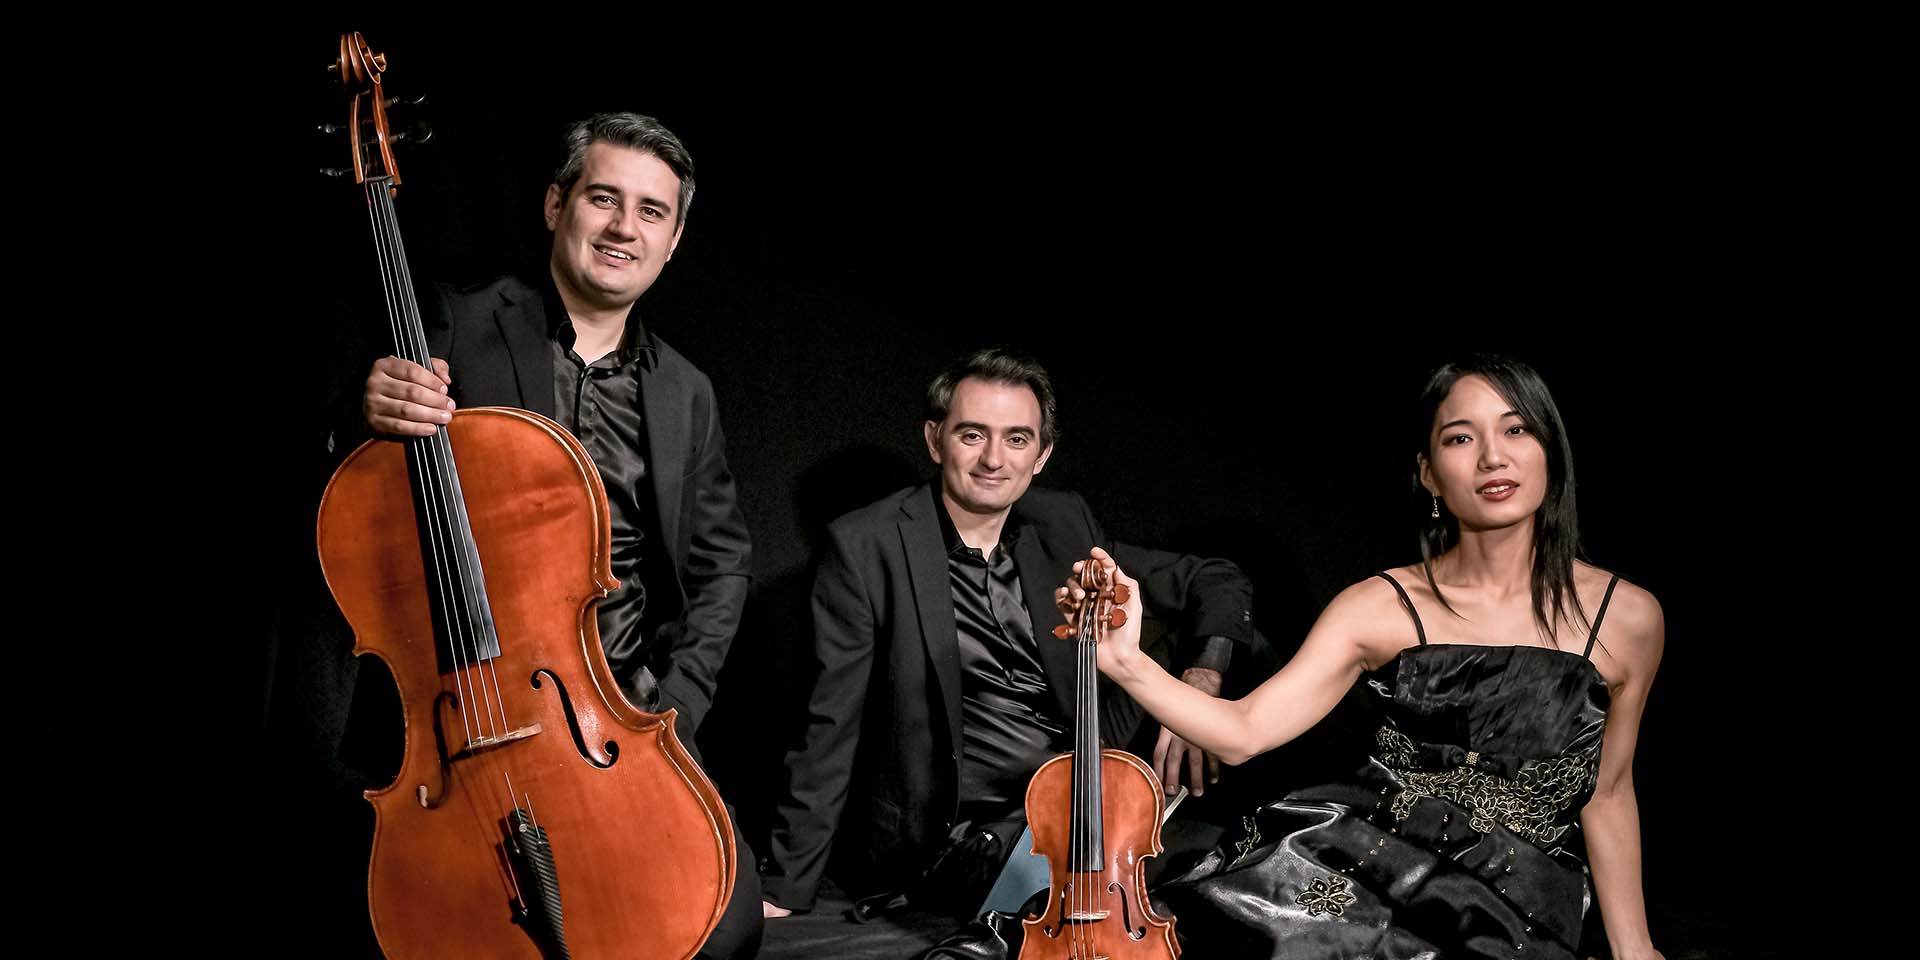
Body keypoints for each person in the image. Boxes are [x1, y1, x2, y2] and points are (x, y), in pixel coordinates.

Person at [1062, 355, 1665, 960]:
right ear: (1429, 474)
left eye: (1516, 430)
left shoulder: (1628, 618)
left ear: (1550, 451)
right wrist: (1126, 662)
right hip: (1363, 874)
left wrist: (1635, 946)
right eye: (1461, 438)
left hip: (1515, 909)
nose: (1492, 457)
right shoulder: (1378, 606)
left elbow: (1608, 791)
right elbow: (1244, 731)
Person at [359, 111, 763, 959]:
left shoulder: (686, 391)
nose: (624, 227)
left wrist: (675, 702)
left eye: (651, 211)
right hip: (466, 712)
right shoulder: (454, 322)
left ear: (673, 240)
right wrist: (367, 413)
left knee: (720, 929)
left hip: (613, 716)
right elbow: (362, 487)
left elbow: (722, 563)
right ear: (556, 205)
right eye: (603, 198)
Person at [761, 348, 1257, 921]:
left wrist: (1199, 686)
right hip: (967, 832)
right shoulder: (866, 545)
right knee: (1090, 908)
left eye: (1017, 439)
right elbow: (830, 723)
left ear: (1041, 455)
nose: (993, 459)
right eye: (972, 435)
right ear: (935, 440)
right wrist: (785, 887)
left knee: (1235, 875)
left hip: (1085, 797)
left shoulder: (1062, 523)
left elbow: (1217, 581)